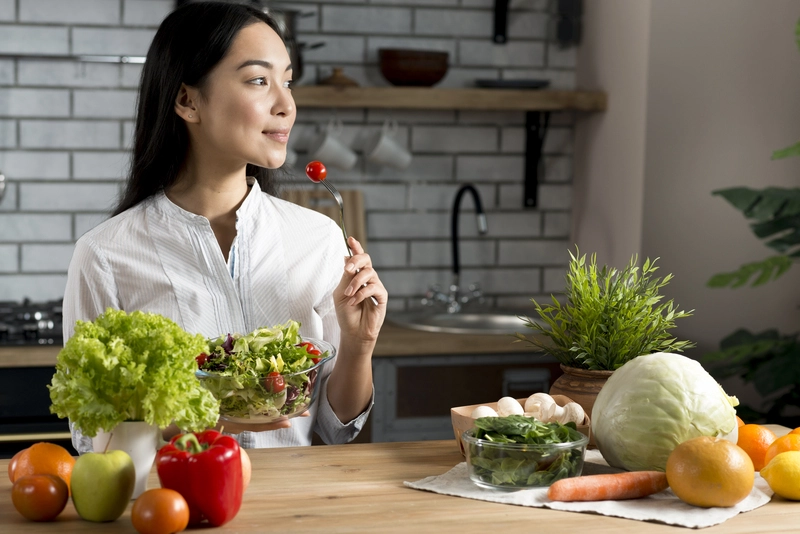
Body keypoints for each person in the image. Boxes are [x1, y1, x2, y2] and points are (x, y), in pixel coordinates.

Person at [63, 1, 387, 453]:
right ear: (187, 100)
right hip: (175, 512)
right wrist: (196, 418)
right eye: (258, 80)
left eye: (287, 82)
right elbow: (91, 437)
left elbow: (336, 429)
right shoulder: (105, 254)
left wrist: (358, 344)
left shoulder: (318, 238)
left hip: (295, 514)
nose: (286, 105)